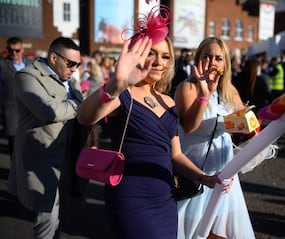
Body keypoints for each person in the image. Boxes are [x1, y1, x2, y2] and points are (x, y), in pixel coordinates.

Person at [76, 6, 224, 239]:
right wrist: (116, 83)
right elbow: (85, 117)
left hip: (164, 196)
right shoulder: (123, 93)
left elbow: (175, 156)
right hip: (130, 197)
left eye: (165, 56)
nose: (158, 62)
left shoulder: (167, 101)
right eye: (151, 53)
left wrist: (203, 177)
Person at [175, 36, 256, 239]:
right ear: (198, 59)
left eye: (218, 58)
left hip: (224, 177)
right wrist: (205, 94)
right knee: (195, 232)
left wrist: (246, 119)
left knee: (222, 234)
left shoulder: (230, 91)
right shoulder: (187, 88)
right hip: (195, 175)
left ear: (225, 63)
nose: (212, 62)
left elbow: (246, 129)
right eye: (207, 57)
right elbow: (188, 127)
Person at [7, 37, 83, 239]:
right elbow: (48, 112)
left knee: (60, 216)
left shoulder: (70, 80)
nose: (75, 69)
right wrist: (78, 104)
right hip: (40, 158)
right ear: (53, 57)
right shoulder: (26, 76)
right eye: (71, 63)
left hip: (67, 158)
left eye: (78, 64)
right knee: (46, 220)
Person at [0, 36, 33, 158]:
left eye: (17, 50)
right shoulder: (2, 65)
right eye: (11, 50)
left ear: (22, 49)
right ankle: (15, 176)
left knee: (31, 149)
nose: (14, 53)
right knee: (14, 150)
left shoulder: (31, 64)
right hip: (11, 113)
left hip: (31, 112)